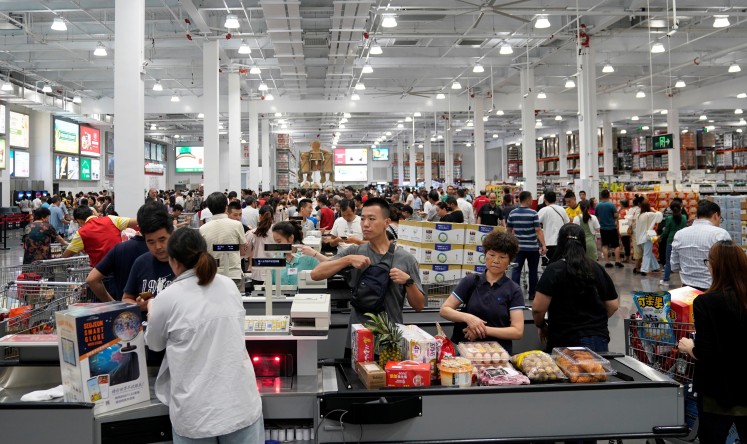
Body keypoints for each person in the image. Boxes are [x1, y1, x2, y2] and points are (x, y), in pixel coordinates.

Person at [144, 228, 264, 444]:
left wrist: (152, 310)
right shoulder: (228, 285)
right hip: (239, 404)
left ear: (174, 261)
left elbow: (154, 344)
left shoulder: (166, 298)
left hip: (195, 414)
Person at [310, 198, 425, 352]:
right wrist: (347, 260)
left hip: (390, 343)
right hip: (358, 342)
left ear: (386, 222)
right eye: (363, 219)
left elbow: (419, 306)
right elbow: (316, 274)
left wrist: (408, 282)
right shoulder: (355, 252)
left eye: (372, 219)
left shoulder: (405, 259)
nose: (365, 224)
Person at [677, 240, 747, 443]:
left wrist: (689, 347)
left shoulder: (706, 302)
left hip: (718, 390)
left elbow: (706, 352)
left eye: (708, 261)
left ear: (716, 266)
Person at [532, 223, 620, 352]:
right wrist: (594, 323)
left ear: (560, 243)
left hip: (564, 338)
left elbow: (538, 308)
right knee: (597, 366)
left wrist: (541, 325)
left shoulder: (554, 270)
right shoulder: (596, 268)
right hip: (597, 339)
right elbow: (613, 305)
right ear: (583, 243)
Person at [439, 231, 524, 353]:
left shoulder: (513, 290)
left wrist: (481, 329)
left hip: (498, 355)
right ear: (485, 254)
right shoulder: (470, 281)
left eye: (502, 257)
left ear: (510, 260)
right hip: (468, 353)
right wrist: (469, 318)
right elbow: (444, 310)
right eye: (492, 255)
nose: (496, 260)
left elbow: (517, 331)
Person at [86, 204, 156, 302]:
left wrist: (112, 303)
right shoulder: (166, 250)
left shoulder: (120, 248)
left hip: (126, 309)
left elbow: (92, 279)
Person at [122, 204, 175, 311]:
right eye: (151, 242)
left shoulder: (185, 263)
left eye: (162, 240)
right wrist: (139, 306)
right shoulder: (141, 263)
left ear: (172, 234)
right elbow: (126, 299)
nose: (158, 247)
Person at [670, 200, 731, 291]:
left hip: (687, 290)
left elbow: (674, 266)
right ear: (715, 215)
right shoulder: (720, 234)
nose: (719, 222)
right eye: (720, 218)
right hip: (713, 290)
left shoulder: (679, 234)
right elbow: (729, 266)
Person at [200, 192, 250, 291]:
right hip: (234, 274)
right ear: (226, 207)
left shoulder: (203, 229)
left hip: (212, 275)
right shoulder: (237, 225)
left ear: (209, 208)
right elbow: (243, 252)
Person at [62, 205, 137, 267]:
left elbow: (66, 255)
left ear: (79, 220)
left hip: (102, 270)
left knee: (91, 279)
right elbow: (136, 221)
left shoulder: (81, 233)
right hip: (122, 264)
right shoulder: (111, 219)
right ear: (92, 213)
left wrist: (81, 247)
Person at [506, 191, 547, 299]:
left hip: (518, 248)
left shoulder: (512, 213)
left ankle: (515, 294)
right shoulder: (533, 213)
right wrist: (543, 245)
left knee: (516, 270)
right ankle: (532, 294)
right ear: (528, 199)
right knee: (533, 271)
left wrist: (509, 245)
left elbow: (508, 231)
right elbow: (538, 230)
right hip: (532, 248)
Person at [659, 201, 688, 287]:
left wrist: (660, 237)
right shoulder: (684, 217)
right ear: (680, 208)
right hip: (682, 241)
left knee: (668, 262)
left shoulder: (669, 218)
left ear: (671, 209)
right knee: (683, 262)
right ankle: (685, 281)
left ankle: (666, 280)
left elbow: (666, 231)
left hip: (671, 241)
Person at [246, 206, 276, 284]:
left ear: (259, 216)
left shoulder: (253, 233)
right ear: (273, 217)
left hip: (258, 273)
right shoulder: (279, 232)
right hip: (276, 272)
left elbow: (245, 252)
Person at [537, 191, 570, 261]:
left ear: (545, 200)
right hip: (561, 242)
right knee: (560, 263)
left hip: (548, 242)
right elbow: (567, 223)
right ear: (555, 199)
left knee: (550, 264)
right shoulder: (562, 209)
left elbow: (535, 223)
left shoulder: (543, 210)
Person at [633, 201, 663, 276]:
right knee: (647, 254)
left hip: (640, 238)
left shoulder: (638, 215)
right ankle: (644, 270)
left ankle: (655, 267)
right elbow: (659, 216)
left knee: (649, 252)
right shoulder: (649, 214)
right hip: (647, 237)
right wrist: (653, 209)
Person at [595, 190, 623, 268]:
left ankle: (607, 262)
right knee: (616, 245)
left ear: (601, 196)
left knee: (605, 245)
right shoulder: (611, 205)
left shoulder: (598, 206)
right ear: (609, 196)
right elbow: (616, 215)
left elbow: (597, 216)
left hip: (603, 228)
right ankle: (617, 261)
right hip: (612, 227)